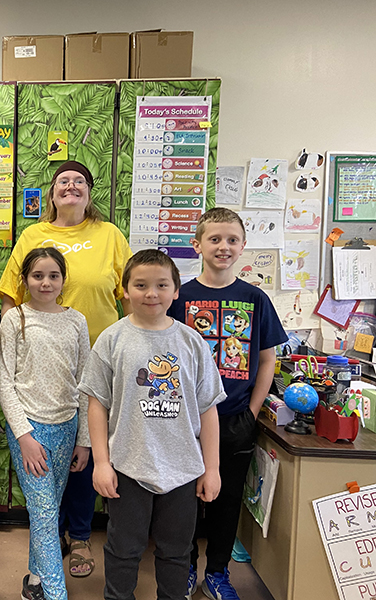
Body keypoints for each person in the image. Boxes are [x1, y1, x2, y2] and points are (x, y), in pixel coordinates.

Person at [0, 160, 132, 577]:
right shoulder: (34, 235)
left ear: (89, 193)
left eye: (79, 182)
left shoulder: (109, 235)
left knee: (84, 454)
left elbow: (128, 296)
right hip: (42, 375)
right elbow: (10, 298)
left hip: (97, 366)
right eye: (62, 182)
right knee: (47, 467)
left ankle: (78, 536)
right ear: (51, 193)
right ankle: (48, 536)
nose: (71, 186)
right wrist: (18, 342)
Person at [81, 249, 225, 600]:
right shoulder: (112, 340)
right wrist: (101, 462)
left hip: (182, 469)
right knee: (123, 549)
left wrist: (212, 468)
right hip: (128, 466)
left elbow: (207, 410)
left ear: (176, 290)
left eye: (162, 285)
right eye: (141, 285)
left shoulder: (192, 343)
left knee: (176, 551)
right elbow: (97, 403)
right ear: (125, 290)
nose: (151, 293)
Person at [168, 208, 287, 600]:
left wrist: (252, 411)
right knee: (183, 501)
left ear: (242, 246)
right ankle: (184, 567)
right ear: (197, 244)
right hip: (184, 421)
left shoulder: (255, 298)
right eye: (215, 239)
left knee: (226, 499)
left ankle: (217, 572)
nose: (223, 247)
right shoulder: (179, 296)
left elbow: (268, 359)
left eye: (232, 240)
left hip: (235, 417)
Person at [0, 246, 91, 600]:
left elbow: (85, 380)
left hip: (67, 426)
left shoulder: (76, 320)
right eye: (37, 275)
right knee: (45, 513)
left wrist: (84, 440)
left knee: (48, 511)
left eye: (53, 275)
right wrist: (24, 436)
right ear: (25, 281)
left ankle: (34, 580)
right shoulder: (14, 318)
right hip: (29, 430)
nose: (46, 282)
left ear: (64, 280)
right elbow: (5, 381)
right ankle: (55, 594)